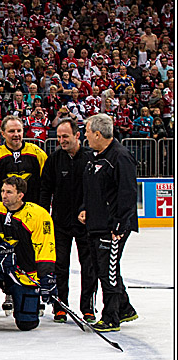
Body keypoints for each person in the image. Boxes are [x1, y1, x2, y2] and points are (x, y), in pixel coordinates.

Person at [0, 176, 56, 334]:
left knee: (27, 324)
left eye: (9, 192)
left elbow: (45, 248)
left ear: (20, 195)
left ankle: (20, 300)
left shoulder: (38, 215)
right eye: (2, 191)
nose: (4, 195)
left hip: (24, 271)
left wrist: (46, 277)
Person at [81, 113, 139, 333]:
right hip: (96, 223)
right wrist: (84, 209)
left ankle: (111, 317)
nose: (85, 135)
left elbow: (127, 194)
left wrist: (119, 226)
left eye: (87, 131)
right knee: (103, 268)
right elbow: (92, 189)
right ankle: (124, 308)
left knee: (108, 271)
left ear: (97, 133)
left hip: (112, 227)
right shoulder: (95, 157)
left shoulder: (120, 157)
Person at [39, 118, 97, 323]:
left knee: (88, 266)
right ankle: (60, 306)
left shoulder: (91, 158)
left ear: (77, 136)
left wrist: (89, 211)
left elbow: (97, 192)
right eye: (59, 137)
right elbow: (45, 190)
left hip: (85, 224)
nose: (62, 140)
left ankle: (88, 307)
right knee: (60, 266)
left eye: (66, 136)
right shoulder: (54, 159)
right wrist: (44, 216)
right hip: (60, 223)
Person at [0, 115, 47, 204]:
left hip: (33, 208)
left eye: (19, 131)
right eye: (11, 131)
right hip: (4, 210)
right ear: (3, 133)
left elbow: (46, 181)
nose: (16, 135)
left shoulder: (37, 153)